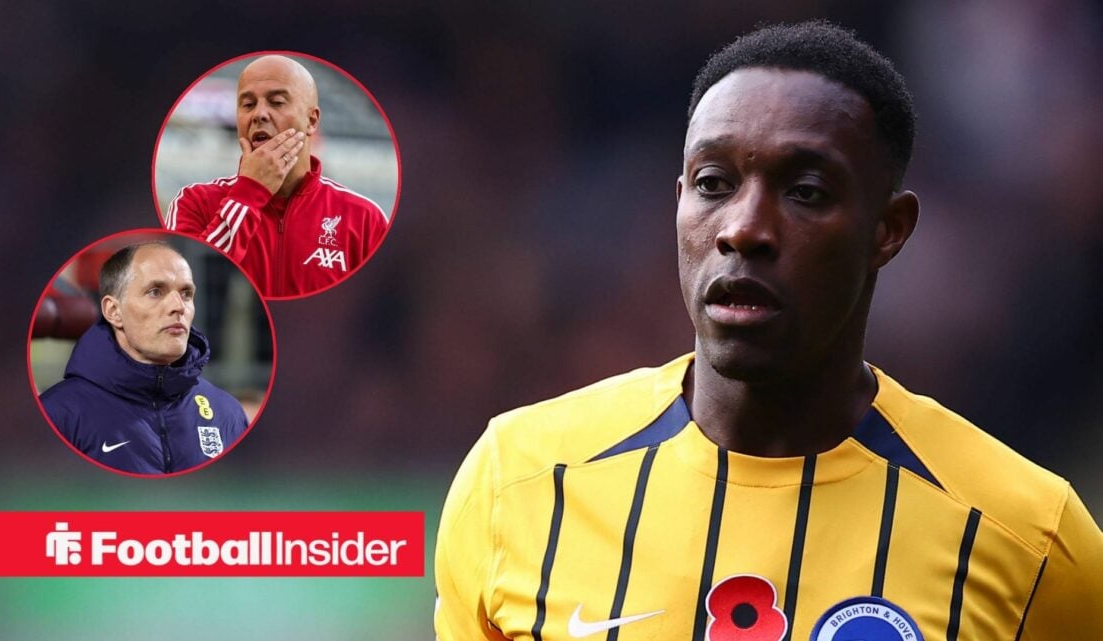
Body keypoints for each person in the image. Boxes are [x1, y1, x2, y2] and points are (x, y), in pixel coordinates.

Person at [434, 20, 1103, 641]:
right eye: (714, 183)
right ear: (679, 204)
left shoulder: (1030, 538)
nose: (743, 228)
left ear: (888, 229)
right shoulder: (517, 483)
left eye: (805, 191)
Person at [163, 54, 389, 298]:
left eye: (277, 102)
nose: (259, 114)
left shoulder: (366, 219)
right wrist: (249, 193)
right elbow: (188, 298)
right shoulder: (194, 202)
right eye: (247, 105)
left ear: (311, 121)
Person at [40, 242, 248, 474]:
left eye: (186, 294)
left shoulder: (227, 412)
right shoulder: (59, 413)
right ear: (113, 311)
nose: (178, 306)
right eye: (155, 292)